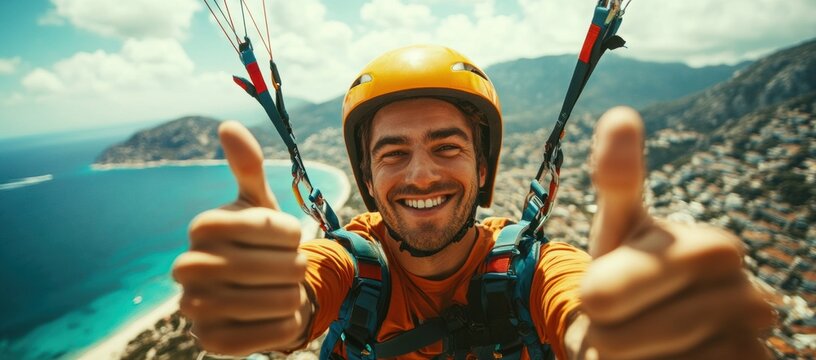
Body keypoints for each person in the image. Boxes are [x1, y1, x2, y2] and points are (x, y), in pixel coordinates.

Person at [172, 45, 775, 359]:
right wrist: (271, 307)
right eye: (392, 153)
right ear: (369, 177)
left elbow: (580, 307)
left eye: (447, 145)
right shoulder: (352, 261)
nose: (422, 173)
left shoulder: (532, 270)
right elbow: (306, 288)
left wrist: (623, 336)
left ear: (483, 167)